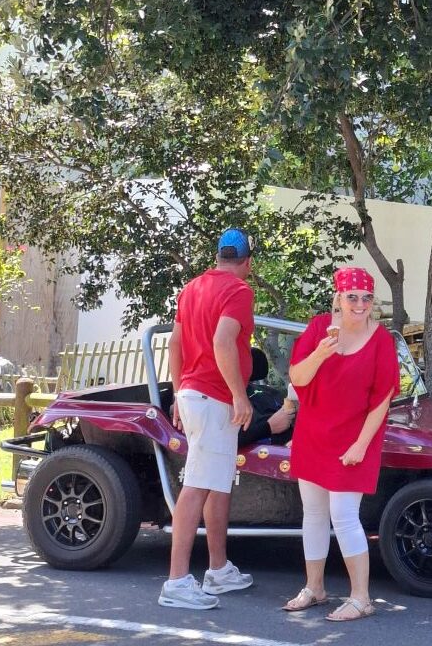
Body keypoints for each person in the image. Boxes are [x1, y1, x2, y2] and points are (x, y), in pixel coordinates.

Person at [283, 266, 400, 621]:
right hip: (314, 434)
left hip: (354, 441)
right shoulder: (320, 328)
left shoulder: (380, 340)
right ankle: (315, 587)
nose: (360, 304)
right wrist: (320, 352)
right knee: (315, 515)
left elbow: (383, 398)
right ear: (339, 298)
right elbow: (297, 376)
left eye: (366, 298)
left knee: (344, 516)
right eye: (352, 297)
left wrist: (362, 446)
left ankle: (361, 598)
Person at [158, 228, 256, 610]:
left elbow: (175, 342)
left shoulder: (192, 288)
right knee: (198, 486)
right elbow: (222, 341)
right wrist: (238, 394)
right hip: (215, 399)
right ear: (247, 262)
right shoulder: (239, 291)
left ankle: (217, 570)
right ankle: (177, 582)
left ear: (218, 257)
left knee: (216, 483)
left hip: (195, 394)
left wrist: (179, 394)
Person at [238, 346, 298, 447]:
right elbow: (221, 440)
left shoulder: (270, 392)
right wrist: (269, 427)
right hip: (259, 454)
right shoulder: (220, 398)